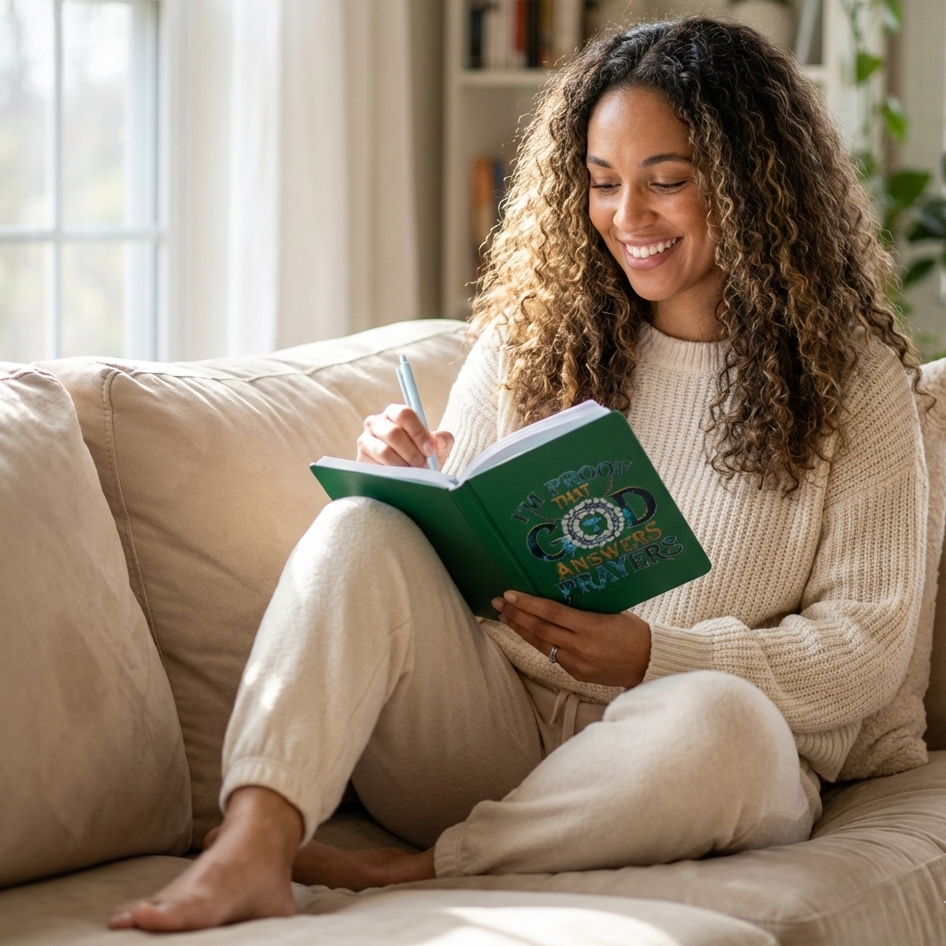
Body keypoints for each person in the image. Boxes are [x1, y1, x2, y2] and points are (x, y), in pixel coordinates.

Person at [110, 16, 928, 932]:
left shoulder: (853, 384)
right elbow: (463, 552)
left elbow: (866, 650)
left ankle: (427, 868)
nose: (628, 219)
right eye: (604, 183)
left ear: (753, 189)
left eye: (668, 182)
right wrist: (414, 487)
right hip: (489, 732)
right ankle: (250, 845)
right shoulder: (538, 339)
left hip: (670, 761)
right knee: (358, 529)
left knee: (725, 724)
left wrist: (657, 655)